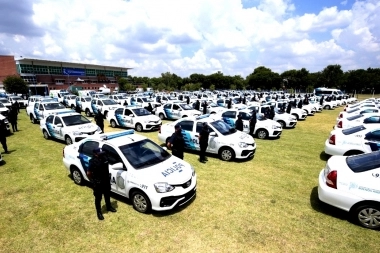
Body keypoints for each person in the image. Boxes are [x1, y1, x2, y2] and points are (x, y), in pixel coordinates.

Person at [87, 147, 116, 220]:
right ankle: (99, 212)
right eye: (99, 153)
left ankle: (109, 207)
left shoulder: (104, 158)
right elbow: (89, 173)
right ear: (95, 154)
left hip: (106, 180)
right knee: (98, 198)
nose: (101, 154)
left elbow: (112, 160)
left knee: (107, 195)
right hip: (98, 183)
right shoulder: (92, 161)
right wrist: (93, 181)